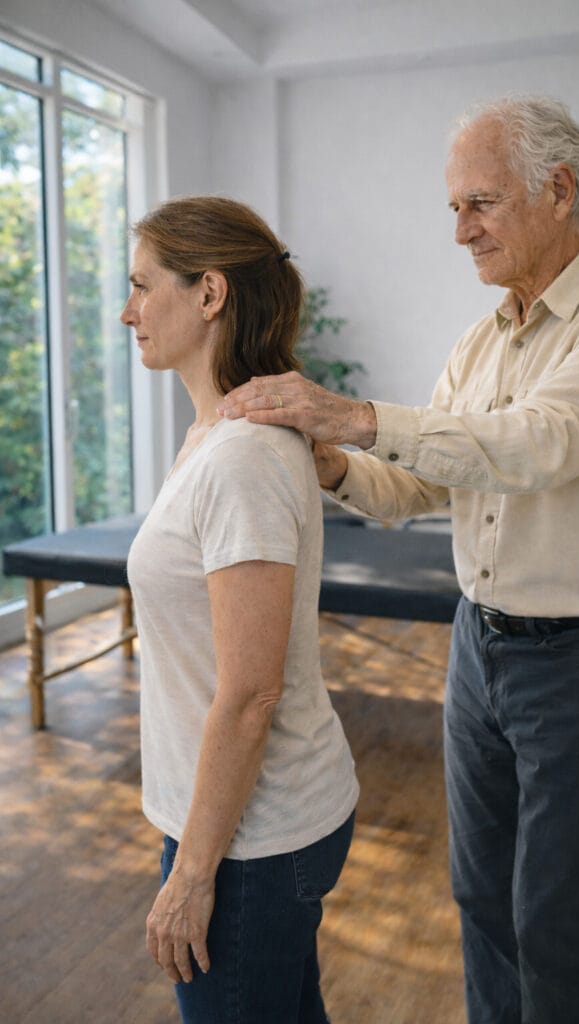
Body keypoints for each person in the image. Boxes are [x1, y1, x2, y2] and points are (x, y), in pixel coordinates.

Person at [219, 96, 579, 1023]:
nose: (461, 231)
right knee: (481, 903)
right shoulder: (480, 340)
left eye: (479, 204)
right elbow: (422, 487)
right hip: (479, 649)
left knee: (558, 925)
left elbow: (536, 445)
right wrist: (332, 463)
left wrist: (353, 414)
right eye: (453, 211)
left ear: (557, 191)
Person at [122, 195, 359, 1024]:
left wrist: (191, 875)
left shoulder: (242, 456)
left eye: (143, 285)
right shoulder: (215, 434)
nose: (128, 311)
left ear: (210, 293)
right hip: (234, 823)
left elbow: (252, 691)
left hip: (250, 841)